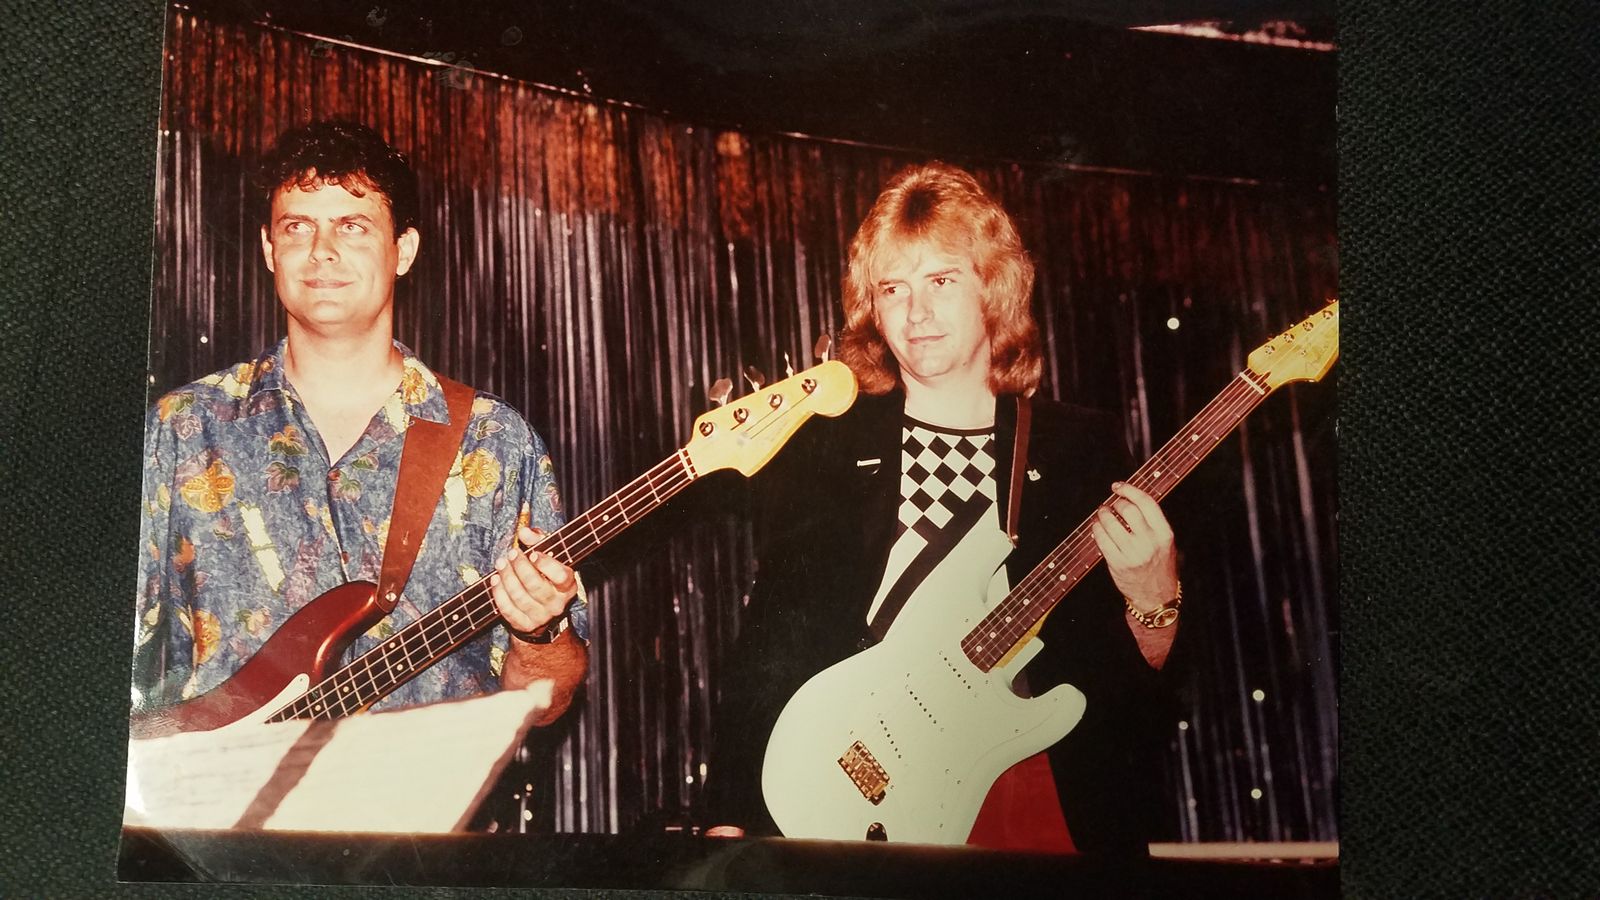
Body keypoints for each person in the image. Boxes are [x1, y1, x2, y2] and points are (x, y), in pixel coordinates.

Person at [706, 162, 1188, 852]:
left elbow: (1128, 696)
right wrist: (730, 808)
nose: (916, 313)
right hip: (861, 802)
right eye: (892, 289)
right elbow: (769, 643)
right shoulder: (826, 447)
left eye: (941, 281)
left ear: (994, 287)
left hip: (1031, 794)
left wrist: (1153, 599)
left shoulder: (1078, 446)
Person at [130, 120, 586, 727]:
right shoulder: (182, 428)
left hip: (425, 791)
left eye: (353, 226)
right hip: (222, 790)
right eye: (298, 226)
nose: (322, 250)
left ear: (404, 251)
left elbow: (546, 703)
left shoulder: (494, 441)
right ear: (269, 250)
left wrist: (541, 631)